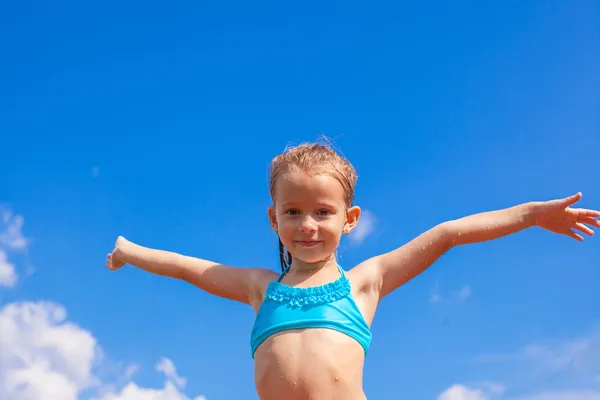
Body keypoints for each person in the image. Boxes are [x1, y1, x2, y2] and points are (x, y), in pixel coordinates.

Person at [106, 140, 599, 400]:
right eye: (293, 211)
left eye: (322, 211)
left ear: (350, 219)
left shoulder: (364, 282)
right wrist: (129, 251)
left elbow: (450, 232)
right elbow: (190, 268)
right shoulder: (261, 289)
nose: (307, 224)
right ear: (273, 217)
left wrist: (533, 214)